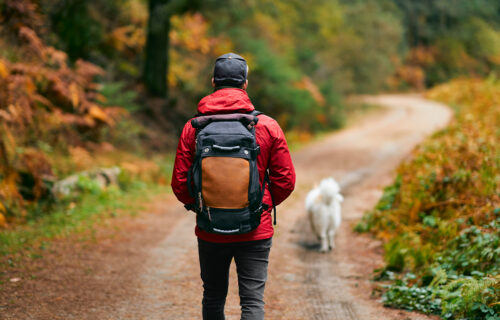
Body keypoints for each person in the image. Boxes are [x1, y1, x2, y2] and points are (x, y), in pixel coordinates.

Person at [171, 52, 296, 320]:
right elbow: (286, 181)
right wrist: (259, 205)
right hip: (255, 229)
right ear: (245, 84)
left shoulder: (193, 128)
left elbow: (180, 183)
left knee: (213, 296)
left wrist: (202, 206)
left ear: (213, 81)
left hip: (210, 227)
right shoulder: (268, 126)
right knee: (252, 301)